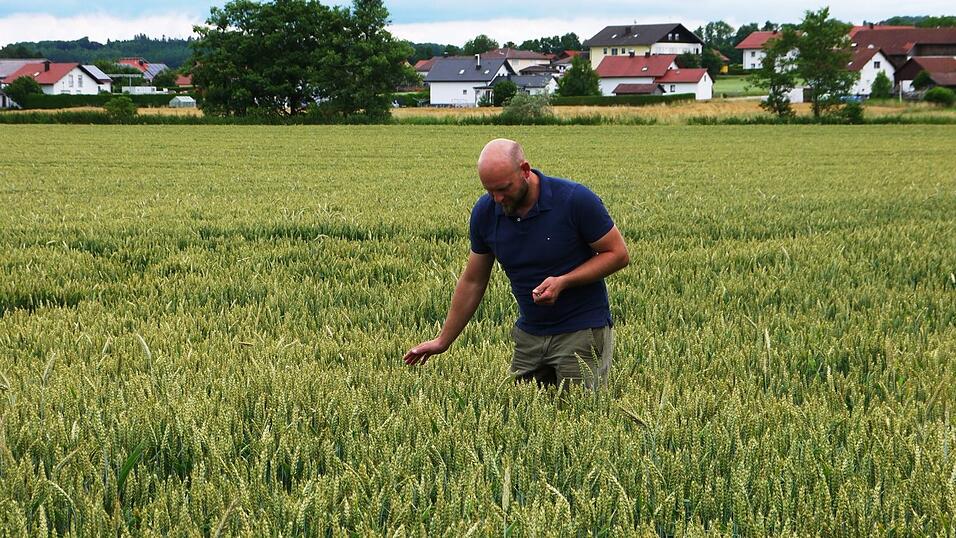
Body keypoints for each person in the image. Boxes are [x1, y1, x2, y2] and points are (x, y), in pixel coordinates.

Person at [403, 138, 629, 389]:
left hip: (581, 332)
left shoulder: (574, 200)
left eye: (503, 188)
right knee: (522, 418)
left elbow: (617, 254)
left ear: (524, 170)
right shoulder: (485, 213)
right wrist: (443, 340)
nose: (498, 198)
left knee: (580, 418)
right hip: (529, 336)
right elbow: (473, 280)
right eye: (489, 190)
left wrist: (563, 282)